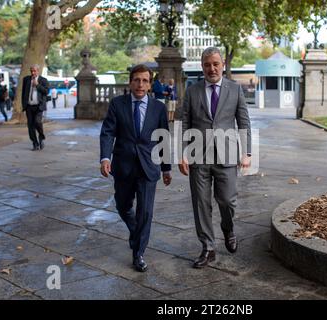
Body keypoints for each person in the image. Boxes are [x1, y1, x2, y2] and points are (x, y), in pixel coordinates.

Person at [179, 47, 252, 268]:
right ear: (202, 67)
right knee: (201, 203)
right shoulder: (192, 91)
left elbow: (244, 122)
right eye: (207, 64)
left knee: (228, 201)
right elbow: (184, 123)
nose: (212, 68)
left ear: (223, 65)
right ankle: (208, 248)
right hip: (198, 156)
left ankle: (227, 228)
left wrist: (246, 152)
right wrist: (183, 152)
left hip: (227, 154)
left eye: (215, 64)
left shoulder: (235, 89)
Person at [100, 64, 172, 272]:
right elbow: (108, 132)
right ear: (131, 82)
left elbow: (163, 139)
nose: (141, 84)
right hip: (123, 166)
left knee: (146, 212)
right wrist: (105, 157)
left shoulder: (158, 107)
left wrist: (166, 168)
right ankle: (136, 232)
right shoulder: (117, 104)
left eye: (145, 81)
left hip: (149, 167)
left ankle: (138, 253)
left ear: (150, 84)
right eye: (137, 80)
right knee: (122, 206)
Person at [21, 64, 49, 151]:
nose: (33, 73)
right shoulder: (26, 79)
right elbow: (23, 93)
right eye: (31, 71)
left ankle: (41, 137)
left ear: (38, 71)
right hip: (29, 106)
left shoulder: (43, 80)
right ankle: (35, 143)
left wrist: (37, 85)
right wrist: (24, 104)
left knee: (37, 122)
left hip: (38, 106)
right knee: (30, 126)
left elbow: (46, 91)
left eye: (34, 71)